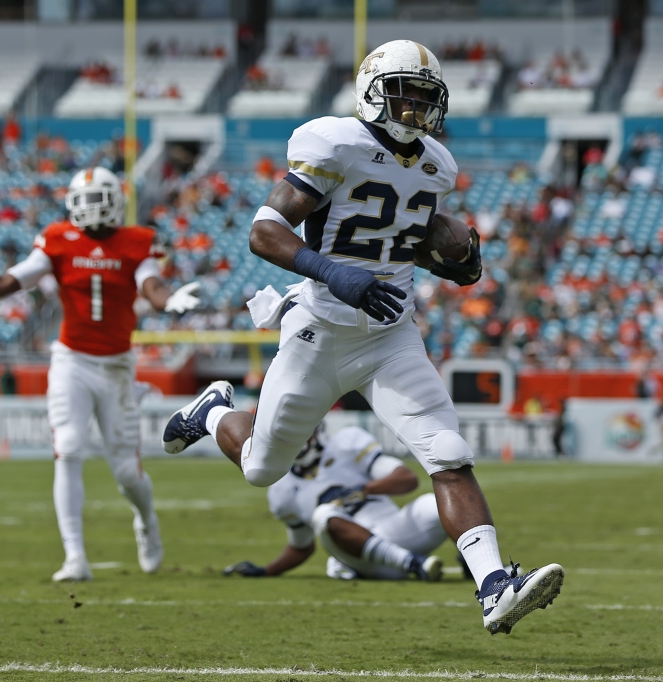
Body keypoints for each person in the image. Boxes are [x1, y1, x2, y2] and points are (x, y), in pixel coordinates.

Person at [162, 40, 563, 635]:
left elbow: (405, 235)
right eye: (406, 96)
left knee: (448, 452)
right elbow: (265, 231)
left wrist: (451, 261)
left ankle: (494, 585)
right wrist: (330, 271)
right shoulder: (334, 142)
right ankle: (216, 411)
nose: (416, 111)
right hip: (319, 331)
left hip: (390, 334)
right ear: (373, 92)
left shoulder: (436, 165)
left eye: (427, 100)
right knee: (261, 469)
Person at [0, 166, 202, 582]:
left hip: (118, 365)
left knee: (126, 473)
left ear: (116, 203)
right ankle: (74, 557)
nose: (89, 209)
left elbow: (150, 283)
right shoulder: (56, 239)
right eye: (83, 201)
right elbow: (11, 280)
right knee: (67, 446)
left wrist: (167, 299)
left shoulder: (137, 241)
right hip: (72, 360)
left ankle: (146, 521)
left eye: (97, 200)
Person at [223, 423, 446, 581]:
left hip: (395, 527)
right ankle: (414, 564)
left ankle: (471, 557)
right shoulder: (281, 491)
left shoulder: (346, 443)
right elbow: (301, 547)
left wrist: (364, 489)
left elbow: (407, 478)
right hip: (366, 560)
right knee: (323, 515)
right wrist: (266, 571)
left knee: (437, 502)